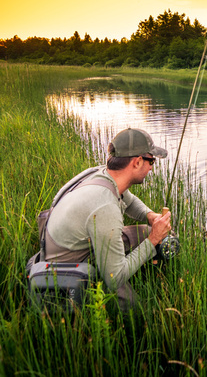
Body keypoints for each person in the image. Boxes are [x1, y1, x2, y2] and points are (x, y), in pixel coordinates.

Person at [44, 128, 172, 309]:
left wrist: (149, 215)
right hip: (68, 265)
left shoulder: (102, 174)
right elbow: (115, 278)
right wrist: (153, 240)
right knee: (135, 309)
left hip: (72, 244)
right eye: (151, 161)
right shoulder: (105, 207)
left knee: (147, 231)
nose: (152, 167)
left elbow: (130, 201)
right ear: (137, 162)